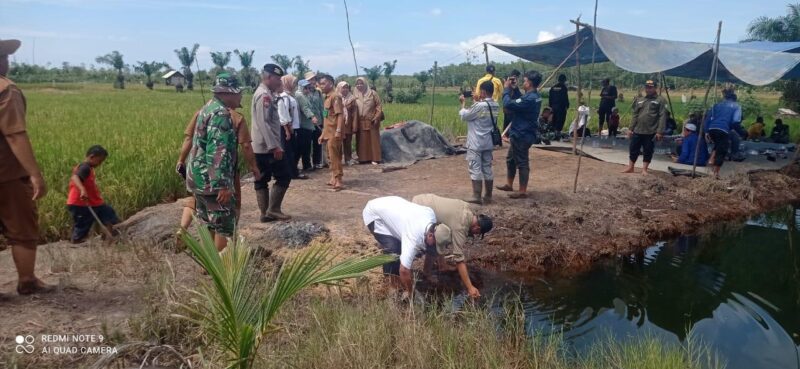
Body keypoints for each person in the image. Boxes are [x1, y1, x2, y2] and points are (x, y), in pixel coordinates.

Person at [0, 38, 54, 296]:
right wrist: (35, 174)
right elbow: (15, 135)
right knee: (22, 228)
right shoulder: (6, 90)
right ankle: (27, 281)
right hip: (6, 174)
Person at [176, 99, 259, 240]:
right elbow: (245, 146)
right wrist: (254, 167)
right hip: (223, 173)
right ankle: (221, 254)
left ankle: (183, 229)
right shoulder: (236, 118)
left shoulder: (202, 112)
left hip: (198, 172)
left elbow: (188, 139)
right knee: (224, 218)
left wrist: (181, 160)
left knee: (199, 205)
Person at [186, 72, 242, 252]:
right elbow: (218, 151)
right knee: (223, 226)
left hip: (198, 179)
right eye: (239, 92)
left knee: (207, 223)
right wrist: (223, 184)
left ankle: (208, 266)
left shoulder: (207, 108)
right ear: (229, 93)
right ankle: (219, 269)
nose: (241, 96)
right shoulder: (221, 114)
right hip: (212, 182)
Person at [362, 196, 452, 297]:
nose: (435, 248)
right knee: (393, 249)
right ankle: (393, 284)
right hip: (375, 214)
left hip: (393, 207)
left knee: (424, 247)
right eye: (436, 244)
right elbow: (404, 270)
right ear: (430, 235)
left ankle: (426, 273)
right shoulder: (413, 238)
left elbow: (432, 247)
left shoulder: (431, 216)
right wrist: (410, 291)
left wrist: (428, 273)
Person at [411, 194, 493, 299]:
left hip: (423, 198)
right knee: (434, 240)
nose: (475, 235)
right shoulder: (461, 226)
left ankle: (442, 266)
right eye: (478, 233)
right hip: (420, 207)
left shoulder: (466, 208)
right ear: (477, 228)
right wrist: (470, 287)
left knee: (443, 236)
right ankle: (427, 273)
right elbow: (459, 260)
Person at [252, 64, 293, 221]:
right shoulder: (264, 96)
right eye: (277, 79)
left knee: (261, 179)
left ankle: (265, 213)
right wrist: (274, 145)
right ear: (268, 77)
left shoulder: (266, 93)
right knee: (284, 176)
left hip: (261, 146)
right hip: (267, 147)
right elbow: (264, 123)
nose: (279, 82)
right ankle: (273, 209)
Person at [497, 71, 543, 199]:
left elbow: (508, 103)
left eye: (525, 81)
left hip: (522, 134)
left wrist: (506, 89)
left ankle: (522, 191)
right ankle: (509, 184)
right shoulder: (533, 96)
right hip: (521, 133)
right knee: (511, 159)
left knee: (522, 162)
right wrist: (515, 88)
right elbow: (519, 99)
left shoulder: (530, 99)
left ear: (529, 83)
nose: (523, 82)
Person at [66, 145, 120, 243]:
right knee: (83, 224)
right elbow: (75, 178)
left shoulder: (88, 168)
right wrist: (82, 190)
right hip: (81, 203)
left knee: (108, 213)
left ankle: (108, 237)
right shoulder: (85, 167)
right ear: (92, 157)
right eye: (99, 161)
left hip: (94, 202)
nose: (100, 164)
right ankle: (76, 241)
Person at [459, 80, 499, 204]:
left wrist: (463, 104)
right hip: (488, 142)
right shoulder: (496, 105)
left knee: (475, 167)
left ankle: (476, 196)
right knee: (487, 167)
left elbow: (466, 116)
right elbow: (480, 115)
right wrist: (476, 101)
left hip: (476, 142)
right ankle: (488, 195)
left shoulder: (480, 106)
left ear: (483, 91)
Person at [621, 80, 667, 175]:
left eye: (650, 87)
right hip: (638, 129)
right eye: (647, 87)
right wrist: (630, 129)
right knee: (633, 148)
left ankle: (644, 169)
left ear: (655, 88)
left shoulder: (660, 100)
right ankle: (631, 167)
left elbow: (662, 116)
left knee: (648, 150)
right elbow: (635, 115)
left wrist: (659, 131)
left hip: (651, 131)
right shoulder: (640, 99)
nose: (648, 89)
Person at [704, 86, 741, 178]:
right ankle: (715, 173)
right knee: (722, 150)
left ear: (725, 97)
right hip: (723, 129)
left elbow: (708, 118)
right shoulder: (736, 106)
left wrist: (706, 132)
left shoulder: (716, 105)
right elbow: (736, 121)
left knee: (718, 144)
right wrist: (737, 130)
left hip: (712, 129)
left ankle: (711, 159)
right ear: (734, 99)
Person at [318, 74, 345, 190]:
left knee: (335, 156)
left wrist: (338, 130)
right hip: (328, 132)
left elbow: (340, 115)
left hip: (334, 132)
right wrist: (323, 134)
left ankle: (338, 179)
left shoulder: (335, 97)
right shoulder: (327, 98)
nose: (321, 86)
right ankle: (333, 176)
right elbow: (326, 118)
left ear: (330, 83)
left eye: (323, 83)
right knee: (330, 156)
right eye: (320, 84)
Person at [277, 74, 308, 180]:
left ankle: (292, 170)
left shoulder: (291, 95)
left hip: (293, 126)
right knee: (290, 151)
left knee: (293, 150)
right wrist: (288, 128)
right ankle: (291, 172)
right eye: (293, 82)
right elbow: (284, 113)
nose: (294, 85)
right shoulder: (285, 97)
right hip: (289, 127)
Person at [354, 77, 384, 164]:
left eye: (361, 83)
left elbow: (378, 106)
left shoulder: (373, 93)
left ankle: (375, 158)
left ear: (365, 84)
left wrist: (376, 117)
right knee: (362, 140)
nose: (359, 85)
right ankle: (363, 158)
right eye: (357, 84)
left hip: (371, 121)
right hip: (360, 121)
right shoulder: (355, 94)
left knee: (373, 140)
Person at [305, 71, 326, 169]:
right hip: (308, 122)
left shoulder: (318, 92)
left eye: (313, 79)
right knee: (308, 144)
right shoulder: (303, 92)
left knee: (318, 142)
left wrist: (325, 118)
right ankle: (307, 164)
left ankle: (317, 162)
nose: (312, 81)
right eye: (310, 79)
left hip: (319, 121)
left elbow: (323, 107)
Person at [336, 81, 359, 165]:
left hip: (348, 124)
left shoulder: (352, 99)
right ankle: (337, 160)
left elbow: (355, 113)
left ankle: (348, 159)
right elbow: (327, 111)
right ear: (339, 88)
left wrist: (354, 125)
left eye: (346, 88)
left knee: (347, 143)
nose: (345, 89)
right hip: (337, 124)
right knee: (338, 143)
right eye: (343, 88)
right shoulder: (335, 98)